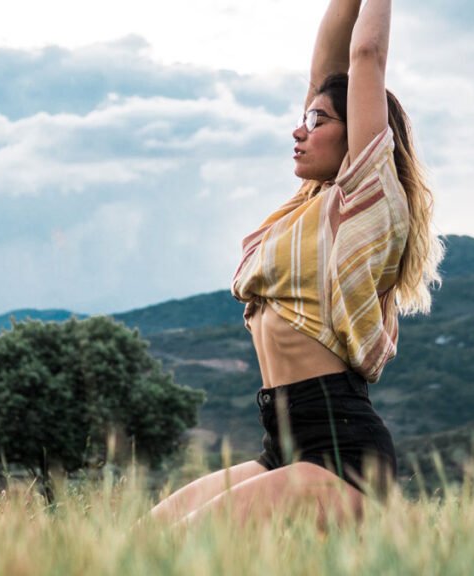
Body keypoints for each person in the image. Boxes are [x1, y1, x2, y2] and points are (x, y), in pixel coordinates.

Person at [146, 0, 443, 530]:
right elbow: (326, 66)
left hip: (341, 455)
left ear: (358, 138)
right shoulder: (311, 204)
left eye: (318, 120)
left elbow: (366, 54)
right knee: (143, 539)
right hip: (282, 444)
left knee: (184, 545)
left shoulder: (363, 199)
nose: (299, 130)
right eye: (305, 118)